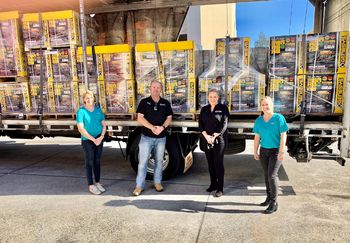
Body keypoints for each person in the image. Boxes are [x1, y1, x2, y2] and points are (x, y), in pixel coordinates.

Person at [133, 80, 173, 196]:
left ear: (161, 89)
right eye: (154, 87)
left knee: (159, 161)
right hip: (146, 137)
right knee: (143, 162)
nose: (156, 89)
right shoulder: (144, 102)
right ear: (149, 89)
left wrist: (162, 128)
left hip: (161, 137)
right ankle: (139, 186)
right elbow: (140, 118)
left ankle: (157, 182)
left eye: (158, 87)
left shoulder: (165, 103)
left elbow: (169, 118)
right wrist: (152, 128)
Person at [253, 96, 289, 214]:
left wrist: (281, 152)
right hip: (264, 151)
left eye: (267, 104)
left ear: (271, 105)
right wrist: (255, 151)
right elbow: (257, 137)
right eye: (263, 105)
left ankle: (274, 202)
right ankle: (268, 198)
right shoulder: (259, 120)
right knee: (266, 175)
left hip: (276, 151)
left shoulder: (279, 118)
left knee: (272, 176)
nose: (265, 107)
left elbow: (283, 135)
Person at [198, 88, 229, 197]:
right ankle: (213, 184)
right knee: (210, 163)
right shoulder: (204, 109)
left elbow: (224, 123)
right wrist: (206, 136)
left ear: (218, 98)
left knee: (218, 163)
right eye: (210, 97)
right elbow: (200, 124)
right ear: (207, 98)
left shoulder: (223, 108)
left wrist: (215, 136)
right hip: (207, 139)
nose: (212, 99)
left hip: (219, 140)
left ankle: (220, 188)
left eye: (215, 97)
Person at [77, 90, 106, 195]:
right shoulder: (81, 111)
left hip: (99, 138)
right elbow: (81, 129)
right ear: (84, 99)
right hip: (88, 140)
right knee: (89, 162)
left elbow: (104, 125)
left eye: (91, 97)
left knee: (97, 161)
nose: (89, 100)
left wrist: (101, 137)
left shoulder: (99, 110)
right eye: (87, 98)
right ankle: (91, 185)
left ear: (94, 99)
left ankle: (98, 183)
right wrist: (94, 140)